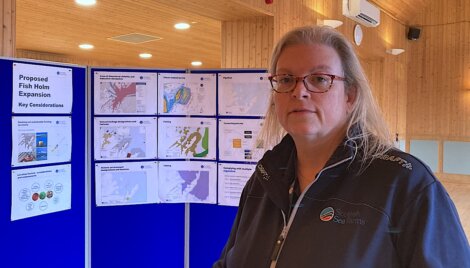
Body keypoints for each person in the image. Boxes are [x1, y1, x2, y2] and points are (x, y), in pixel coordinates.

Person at [213, 25, 470, 268]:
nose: (299, 91)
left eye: (319, 79)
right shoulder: (264, 179)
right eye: (286, 79)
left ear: (350, 95)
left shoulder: (404, 184)